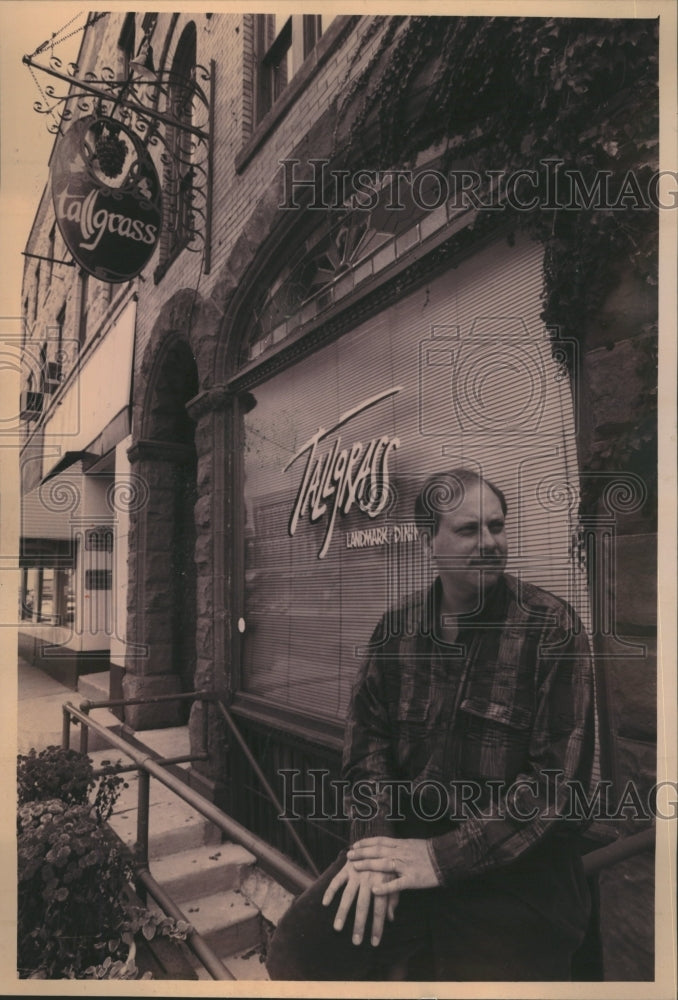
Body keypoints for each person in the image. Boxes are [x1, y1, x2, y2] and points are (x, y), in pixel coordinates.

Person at [266, 467, 596, 981]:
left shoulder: (551, 628)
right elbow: (366, 747)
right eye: (469, 530)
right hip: (406, 847)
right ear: (429, 544)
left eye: (497, 526)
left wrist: (440, 859)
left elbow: (552, 786)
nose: (489, 543)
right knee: (298, 953)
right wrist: (374, 845)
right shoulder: (396, 630)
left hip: (516, 876)